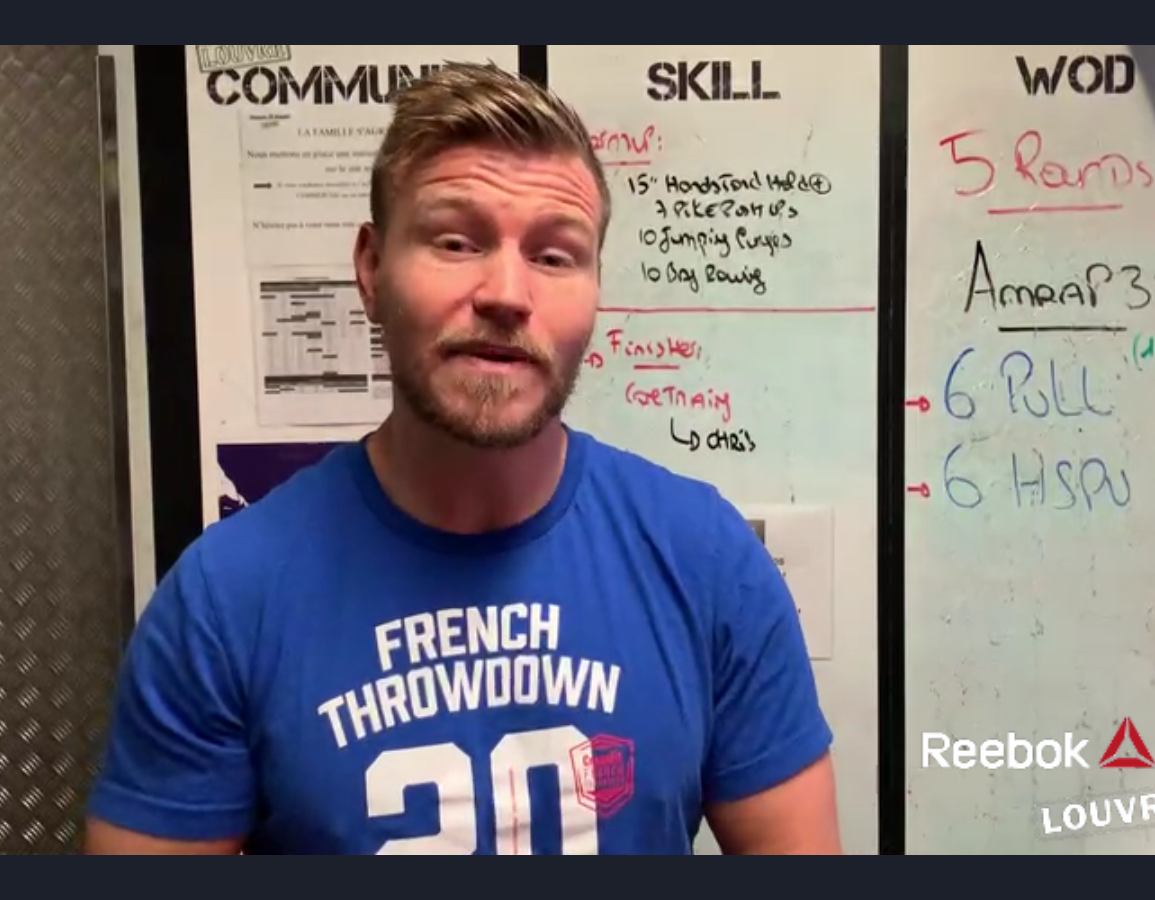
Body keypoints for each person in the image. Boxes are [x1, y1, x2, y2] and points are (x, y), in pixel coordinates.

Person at [84, 62, 840, 855]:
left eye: (555, 256)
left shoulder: (707, 562)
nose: (507, 293)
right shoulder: (226, 600)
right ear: (371, 268)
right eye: (456, 241)